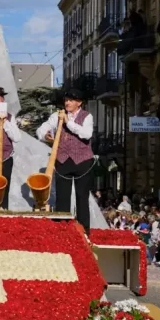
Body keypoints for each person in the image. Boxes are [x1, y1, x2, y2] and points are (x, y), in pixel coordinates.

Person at [36, 88, 95, 232]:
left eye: (71, 100)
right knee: (62, 196)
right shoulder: (57, 116)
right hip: (63, 160)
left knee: (82, 196)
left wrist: (68, 123)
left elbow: (86, 134)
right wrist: (45, 136)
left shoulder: (87, 116)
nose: (67, 103)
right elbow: (42, 129)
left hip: (83, 160)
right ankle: (62, 228)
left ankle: (84, 229)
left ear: (79, 103)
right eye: (66, 100)